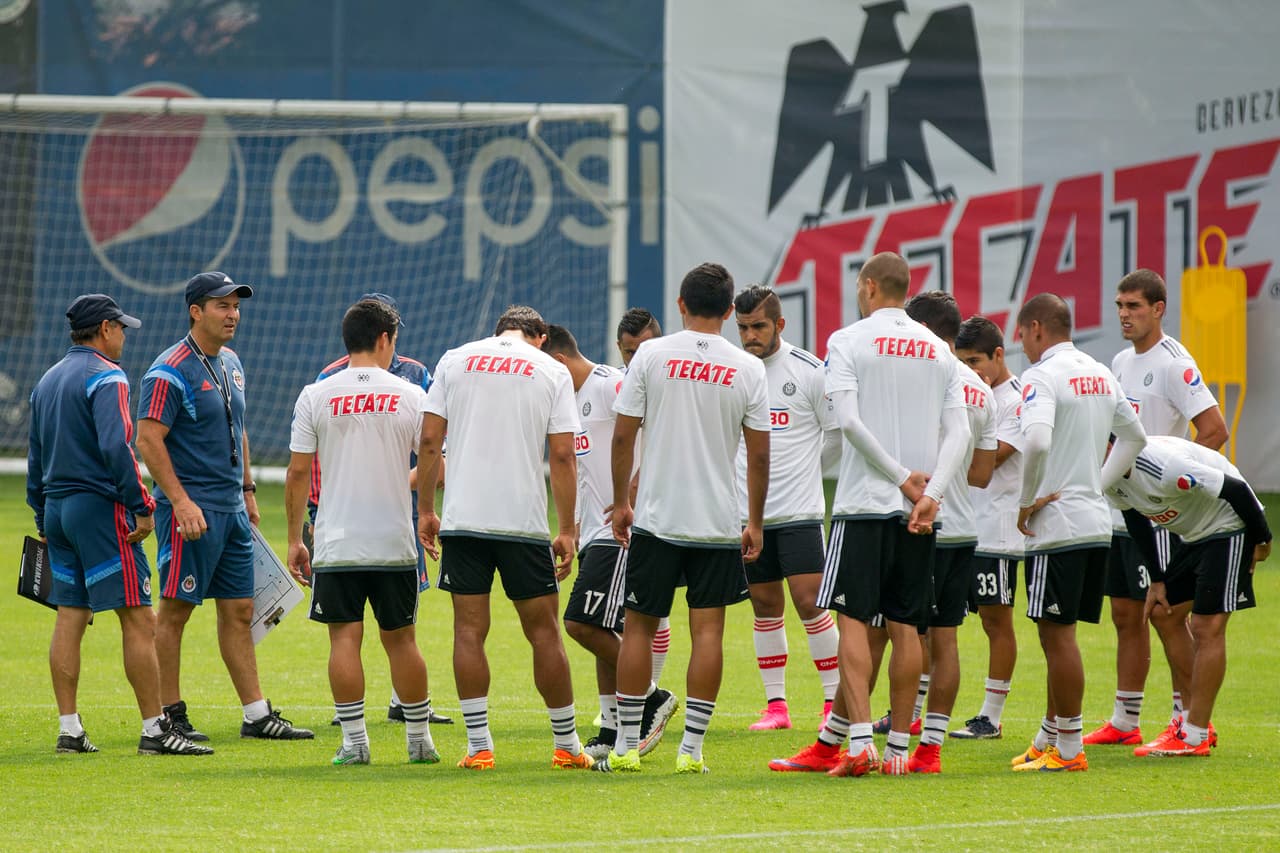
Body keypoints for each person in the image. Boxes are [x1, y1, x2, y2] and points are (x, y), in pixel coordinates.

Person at [598, 261, 769, 775]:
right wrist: (755, 522)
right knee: (708, 633)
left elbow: (624, 436)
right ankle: (691, 751)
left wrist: (621, 502)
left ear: (680, 304)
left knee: (638, 629)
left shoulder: (650, 354)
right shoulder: (748, 367)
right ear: (728, 310)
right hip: (716, 522)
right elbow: (760, 456)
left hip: (657, 518)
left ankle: (627, 746)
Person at [27, 295, 210, 757]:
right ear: (105, 329)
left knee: (70, 616)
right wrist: (142, 504)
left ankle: (69, 729)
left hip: (56, 508)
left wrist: (40, 515)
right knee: (137, 616)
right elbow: (116, 447)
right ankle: (154, 729)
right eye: (122, 328)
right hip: (99, 509)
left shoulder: (46, 381)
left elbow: (34, 456)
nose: (125, 337)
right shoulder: (107, 376)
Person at [136, 271, 312, 743]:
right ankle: (168, 716)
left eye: (236, 306)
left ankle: (256, 715)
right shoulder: (168, 369)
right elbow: (148, 439)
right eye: (222, 306)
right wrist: (179, 500)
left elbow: (239, 428)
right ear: (196, 311)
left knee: (238, 611)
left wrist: (249, 491)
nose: (233, 314)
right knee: (174, 613)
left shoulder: (231, 362)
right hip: (191, 514)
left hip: (232, 510)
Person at [416, 305, 592, 771]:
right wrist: (569, 529)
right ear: (539, 336)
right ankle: (567, 745)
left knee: (469, 631)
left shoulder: (455, 359)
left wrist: (427, 510)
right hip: (522, 523)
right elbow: (562, 457)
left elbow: (430, 441)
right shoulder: (551, 370)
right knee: (544, 633)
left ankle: (478, 748)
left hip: (465, 521)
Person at [817, 252, 970, 778]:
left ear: (867, 286)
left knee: (854, 619)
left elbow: (851, 423)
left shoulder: (847, 340)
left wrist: (898, 475)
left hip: (864, 502)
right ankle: (901, 752)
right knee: (908, 625)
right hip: (919, 512)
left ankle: (861, 743)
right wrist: (932, 493)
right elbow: (962, 434)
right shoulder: (937, 349)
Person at [284, 299, 438, 766]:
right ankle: (419, 741)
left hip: (337, 542)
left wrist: (295, 539)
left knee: (343, 641)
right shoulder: (412, 396)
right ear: (385, 339)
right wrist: (426, 510)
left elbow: (296, 472)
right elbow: (433, 458)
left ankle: (354, 743)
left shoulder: (316, 394)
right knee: (403, 640)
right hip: (394, 541)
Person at [1085, 269, 1229, 751]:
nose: (1125, 315)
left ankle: (1188, 719)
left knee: (1166, 614)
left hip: (1160, 515)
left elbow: (1213, 429)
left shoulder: (1173, 363)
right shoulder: (1120, 361)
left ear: (1159, 308)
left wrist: (1179, 489)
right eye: (1120, 306)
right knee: (1126, 614)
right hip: (1124, 510)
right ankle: (1126, 720)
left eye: (1135, 307)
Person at [1010, 293, 1146, 773]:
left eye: (1021, 332)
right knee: (1058, 634)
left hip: (1058, 525)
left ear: (1036, 329)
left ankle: (1068, 749)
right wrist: (1096, 483)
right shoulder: (1101, 372)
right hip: (1096, 523)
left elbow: (1038, 439)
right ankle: (1050, 737)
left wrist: (1027, 502)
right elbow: (1135, 437)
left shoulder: (1041, 376)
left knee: (1057, 637)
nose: (1019, 342)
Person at [542, 324, 677, 760]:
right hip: (593, 533)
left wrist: (637, 483)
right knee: (602, 625)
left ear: (559, 362)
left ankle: (651, 696)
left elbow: (662, 420)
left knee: (581, 623)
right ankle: (611, 726)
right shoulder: (566, 400)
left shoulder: (607, 384)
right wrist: (572, 528)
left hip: (623, 530)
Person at [1105, 435, 1270, 756]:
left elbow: (1235, 489)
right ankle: (1192, 722)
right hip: (1195, 533)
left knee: (1206, 627)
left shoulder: (1163, 465)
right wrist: (1157, 579)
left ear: (1113, 446)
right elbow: (1135, 517)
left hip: (1229, 525)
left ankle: (1194, 735)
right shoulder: (1108, 475)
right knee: (1163, 612)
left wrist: (1262, 539)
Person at [731, 285, 841, 732]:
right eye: (742, 328)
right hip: (746, 514)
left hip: (798, 512)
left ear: (780, 324)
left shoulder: (810, 371)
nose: (750, 336)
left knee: (810, 602)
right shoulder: (735, 372)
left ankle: (835, 702)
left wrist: (805, 470)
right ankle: (776, 707)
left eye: (758, 326)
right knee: (764, 605)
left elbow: (835, 434)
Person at [899, 291, 997, 774]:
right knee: (946, 639)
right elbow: (981, 474)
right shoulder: (981, 388)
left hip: (919, 523)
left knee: (899, 633)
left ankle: (895, 738)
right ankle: (930, 748)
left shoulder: (921, 377)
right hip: (963, 527)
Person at [951, 316, 1026, 739]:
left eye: (975, 360)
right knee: (937, 620)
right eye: (961, 360)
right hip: (962, 523)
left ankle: (991, 717)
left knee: (997, 622)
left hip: (996, 529)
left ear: (999, 355)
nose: (969, 369)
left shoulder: (1016, 399)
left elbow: (992, 456)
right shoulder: (968, 392)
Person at [615, 306, 676, 694]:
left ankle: (648, 692)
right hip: (620, 510)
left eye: (643, 349)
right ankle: (639, 694)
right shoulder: (615, 384)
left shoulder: (672, 382)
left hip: (661, 504)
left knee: (654, 608)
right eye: (627, 351)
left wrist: (642, 477)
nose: (635, 359)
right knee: (629, 609)